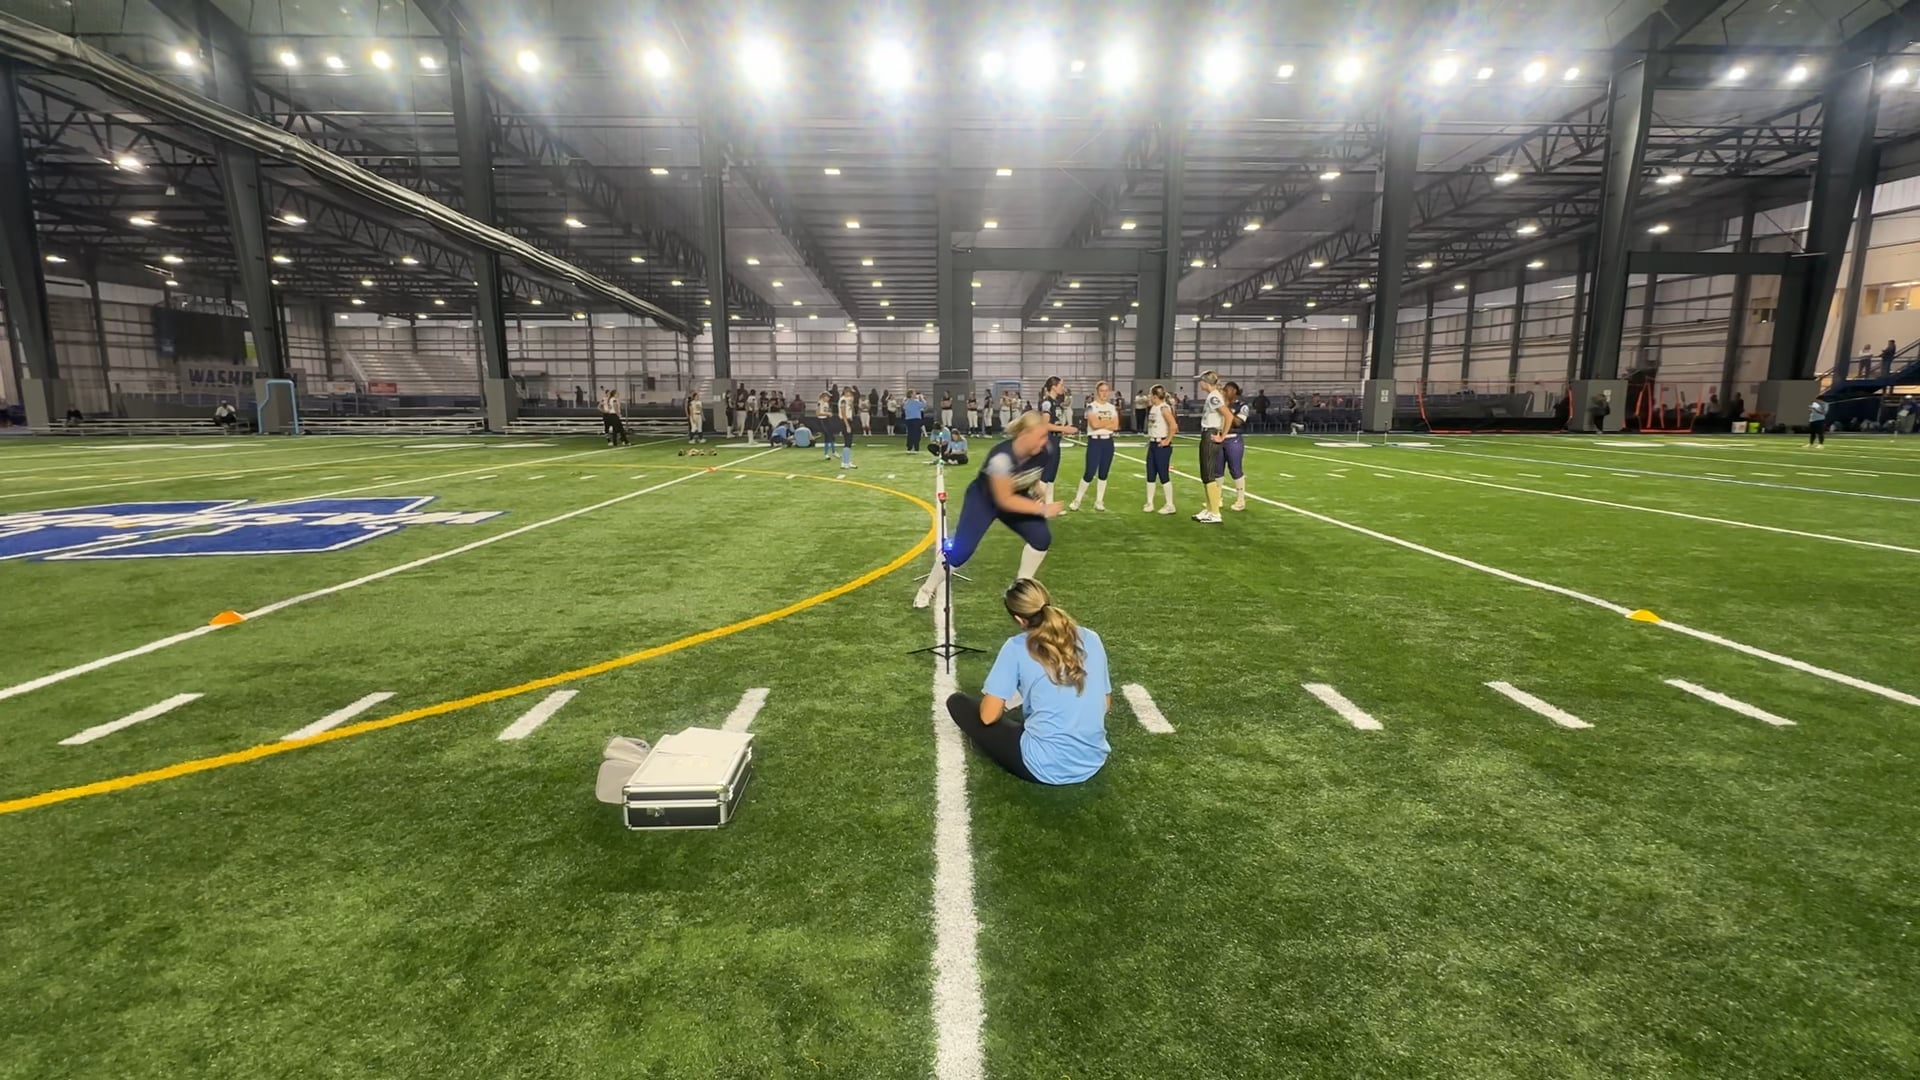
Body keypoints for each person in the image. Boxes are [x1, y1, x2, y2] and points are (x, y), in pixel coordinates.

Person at [944, 578, 1111, 786]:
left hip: (1043, 766)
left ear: (1020, 619)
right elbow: (1106, 703)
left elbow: (988, 717)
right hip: (1093, 758)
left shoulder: (1016, 647)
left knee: (958, 702)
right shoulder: (1091, 637)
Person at [915, 410, 1063, 607]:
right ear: (1024, 434)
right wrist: (1042, 509)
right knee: (961, 551)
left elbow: (1030, 472)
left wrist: (1036, 487)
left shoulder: (1044, 451)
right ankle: (927, 588)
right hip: (984, 499)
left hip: (1015, 494)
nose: (1044, 441)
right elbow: (1005, 500)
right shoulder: (1001, 458)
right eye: (1040, 436)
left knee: (1041, 537)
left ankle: (1021, 588)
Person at [1069, 380, 1120, 512]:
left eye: (1106, 391)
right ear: (1097, 392)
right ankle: (1077, 500)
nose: (1104, 393)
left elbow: (1116, 426)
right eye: (1102, 391)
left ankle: (1099, 501)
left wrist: (1102, 422)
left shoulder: (1111, 407)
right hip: (1095, 443)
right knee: (1089, 473)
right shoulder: (1090, 406)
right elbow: (1094, 424)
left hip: (1108, 442)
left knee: (1104, 473)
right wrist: (1108, 422)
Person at [1193, 370, 1231, 524]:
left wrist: (1222, 435)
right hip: (1208, 433)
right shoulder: (1213, 395)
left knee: (1209, 475)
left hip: (1210, 434)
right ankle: (1210, 509)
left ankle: (1215, 512)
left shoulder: (1214, 396)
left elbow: (1228, 416)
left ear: (1205, 382)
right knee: (1206, 474)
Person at [1037, 376, 1079, 505]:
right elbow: (1045, 425)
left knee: (1052, 474)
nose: (1063, 388)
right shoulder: (1047, 403)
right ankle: (1038, 504)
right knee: (1046, 474)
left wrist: (1063, 430)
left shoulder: (1056, 403)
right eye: (1061, 385)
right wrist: (1064, 428)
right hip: (1048, 441)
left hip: (1055, 440)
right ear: (1054, 387)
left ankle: (1049, 504)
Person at [1144, 383, 1178, 514]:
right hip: (1153, 444)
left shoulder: (1164, 408)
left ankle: (1170, 504)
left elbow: (1173, 426)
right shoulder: (1154, 407)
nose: (1148, 397)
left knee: (1163, 474)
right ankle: (1149, 502)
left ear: (1154, 396)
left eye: (1150, 394)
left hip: (1161, 445)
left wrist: (1167, 440)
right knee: (1150, 474)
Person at [1222, 382, 1250, 511]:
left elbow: (1238, 422)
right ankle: (1217, 498)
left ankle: (1240, 500)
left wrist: (1227, 410)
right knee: (1217, 470)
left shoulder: (1242, 406)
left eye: (1226, 390)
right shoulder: (1221, 404)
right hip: (1220, 438)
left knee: (1235, 469)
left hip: (1233, 438)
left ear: (1234, 391)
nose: (1224, 393)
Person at [837, 387, 859, 469]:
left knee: (849, 443)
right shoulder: (843, 400)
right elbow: (843, 413)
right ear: (846, 392)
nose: (851, 394)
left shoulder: (847, 399)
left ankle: (847, 461)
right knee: (847, 442)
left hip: (848, 420)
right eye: (850, 392)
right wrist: (847, 425)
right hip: (845, 421)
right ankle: (844, 462)